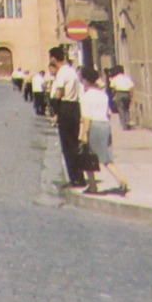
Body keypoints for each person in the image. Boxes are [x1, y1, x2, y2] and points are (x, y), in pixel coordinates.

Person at [78, 65, 129, 196]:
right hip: (105, 124)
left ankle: (93, 185)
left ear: (85, 80)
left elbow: (86, 118)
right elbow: (108, 113)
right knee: (106, 157)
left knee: (89, 157)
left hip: (94, 126)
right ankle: (120, 179)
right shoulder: (102, 95)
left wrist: (83, 133)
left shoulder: (86, 97)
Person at [48, 48, 87, 188]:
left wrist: (55, 110)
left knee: (67, 145)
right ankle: (79, 176)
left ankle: (75, 179)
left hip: (66, 107)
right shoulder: (71, 71)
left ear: (53, 58)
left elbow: (59, 92)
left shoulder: (62, 72)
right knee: (73, 144)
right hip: (74, 107)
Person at [109, 65, 135, 130]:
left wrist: (113, 96)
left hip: (119, 93)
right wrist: (131, 96)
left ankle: (124, 125)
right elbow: (132, 86)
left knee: (121, 109)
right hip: (127, 93)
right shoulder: (127, 78)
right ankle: (128, 121)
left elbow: (112, 87)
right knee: (126, 109)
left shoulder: (115, 78)